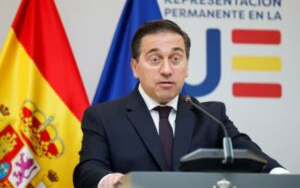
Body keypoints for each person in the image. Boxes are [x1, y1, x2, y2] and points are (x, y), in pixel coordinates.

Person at [73, 19, 287, 188]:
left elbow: (248, 153)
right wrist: (107, 180)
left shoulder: (210, 116)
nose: (166, 70)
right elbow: (88, 169)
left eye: (175, 59)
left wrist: (279, 174)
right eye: (155, 59)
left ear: (187, 67)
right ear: (135, 67)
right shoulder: (103, 117)